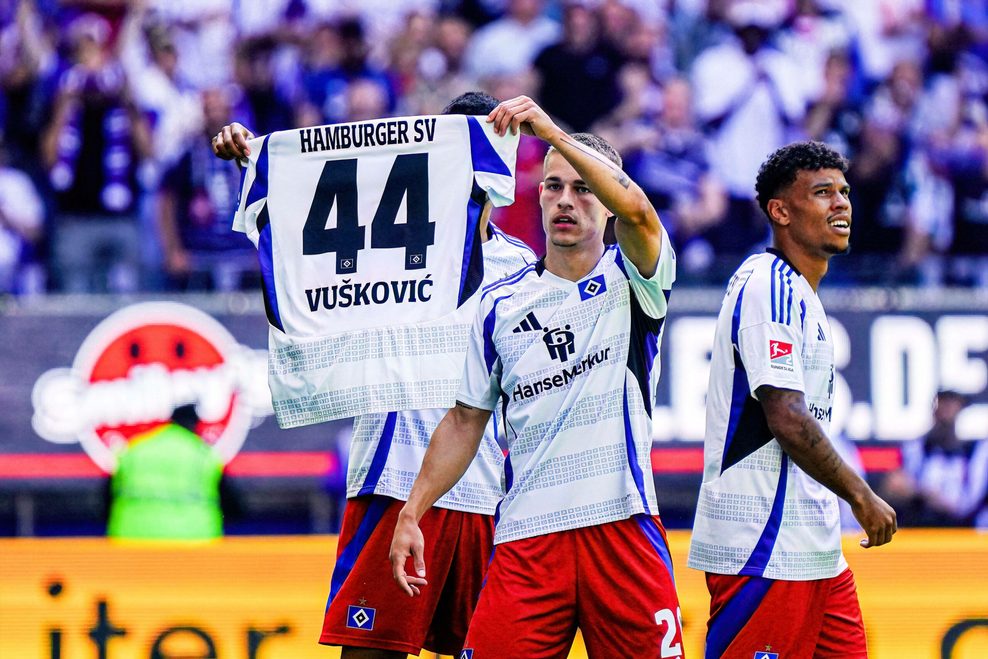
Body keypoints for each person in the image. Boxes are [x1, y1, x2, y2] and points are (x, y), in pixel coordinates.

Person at [213, 91, 535, 659]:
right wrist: (252, 160)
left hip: (487, 495)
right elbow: (302, 219)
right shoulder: (382, 239)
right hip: (395, 476)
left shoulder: (524, 267)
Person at [389, 96, 681, 657]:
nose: (565, 201)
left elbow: (641, 214)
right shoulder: (500, 303)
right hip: (527, 538)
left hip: (621, 528)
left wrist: (552, 130)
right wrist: (413, 511)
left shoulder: (635, 280)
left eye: (582, 188)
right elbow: (465, 418)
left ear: (607, 201)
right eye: (552, 187)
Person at [687, 141, 897, 658]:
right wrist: (862, 496)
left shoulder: (800, 293)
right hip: (763, 548)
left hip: (815, 551)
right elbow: (788, 417)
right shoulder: (769, 286)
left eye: (844, 192)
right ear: (779, 211)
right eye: (822, 193)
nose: (841, 203)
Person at [107, 405, 227, 540]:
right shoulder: (203, 454)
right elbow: (227, 497)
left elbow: (109, 492)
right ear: (195, 423)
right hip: (194, 536)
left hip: (131, 533)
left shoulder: (136, 448)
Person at [881, 390, 988, 527]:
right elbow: (892, 487)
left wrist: (925, 493)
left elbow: (967, 505)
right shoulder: (914, 449)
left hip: (966, 533)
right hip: (920, 529)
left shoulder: (976, 452)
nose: (945, 411)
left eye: (951, 404)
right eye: (941, 403)